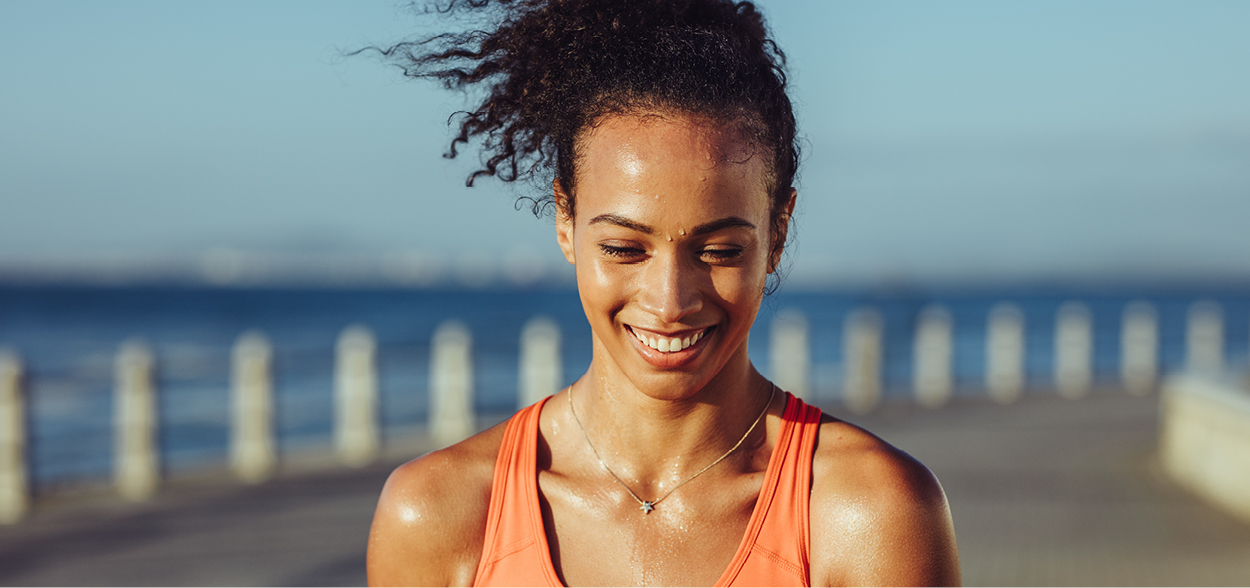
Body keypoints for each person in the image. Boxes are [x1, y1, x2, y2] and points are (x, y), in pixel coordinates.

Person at [365, 1, 960, 585]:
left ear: (778, 230)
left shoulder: (869, 515)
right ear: (565, 221)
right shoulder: (439, 514)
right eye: (624, 249)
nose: (671, 300)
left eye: (720, 250)